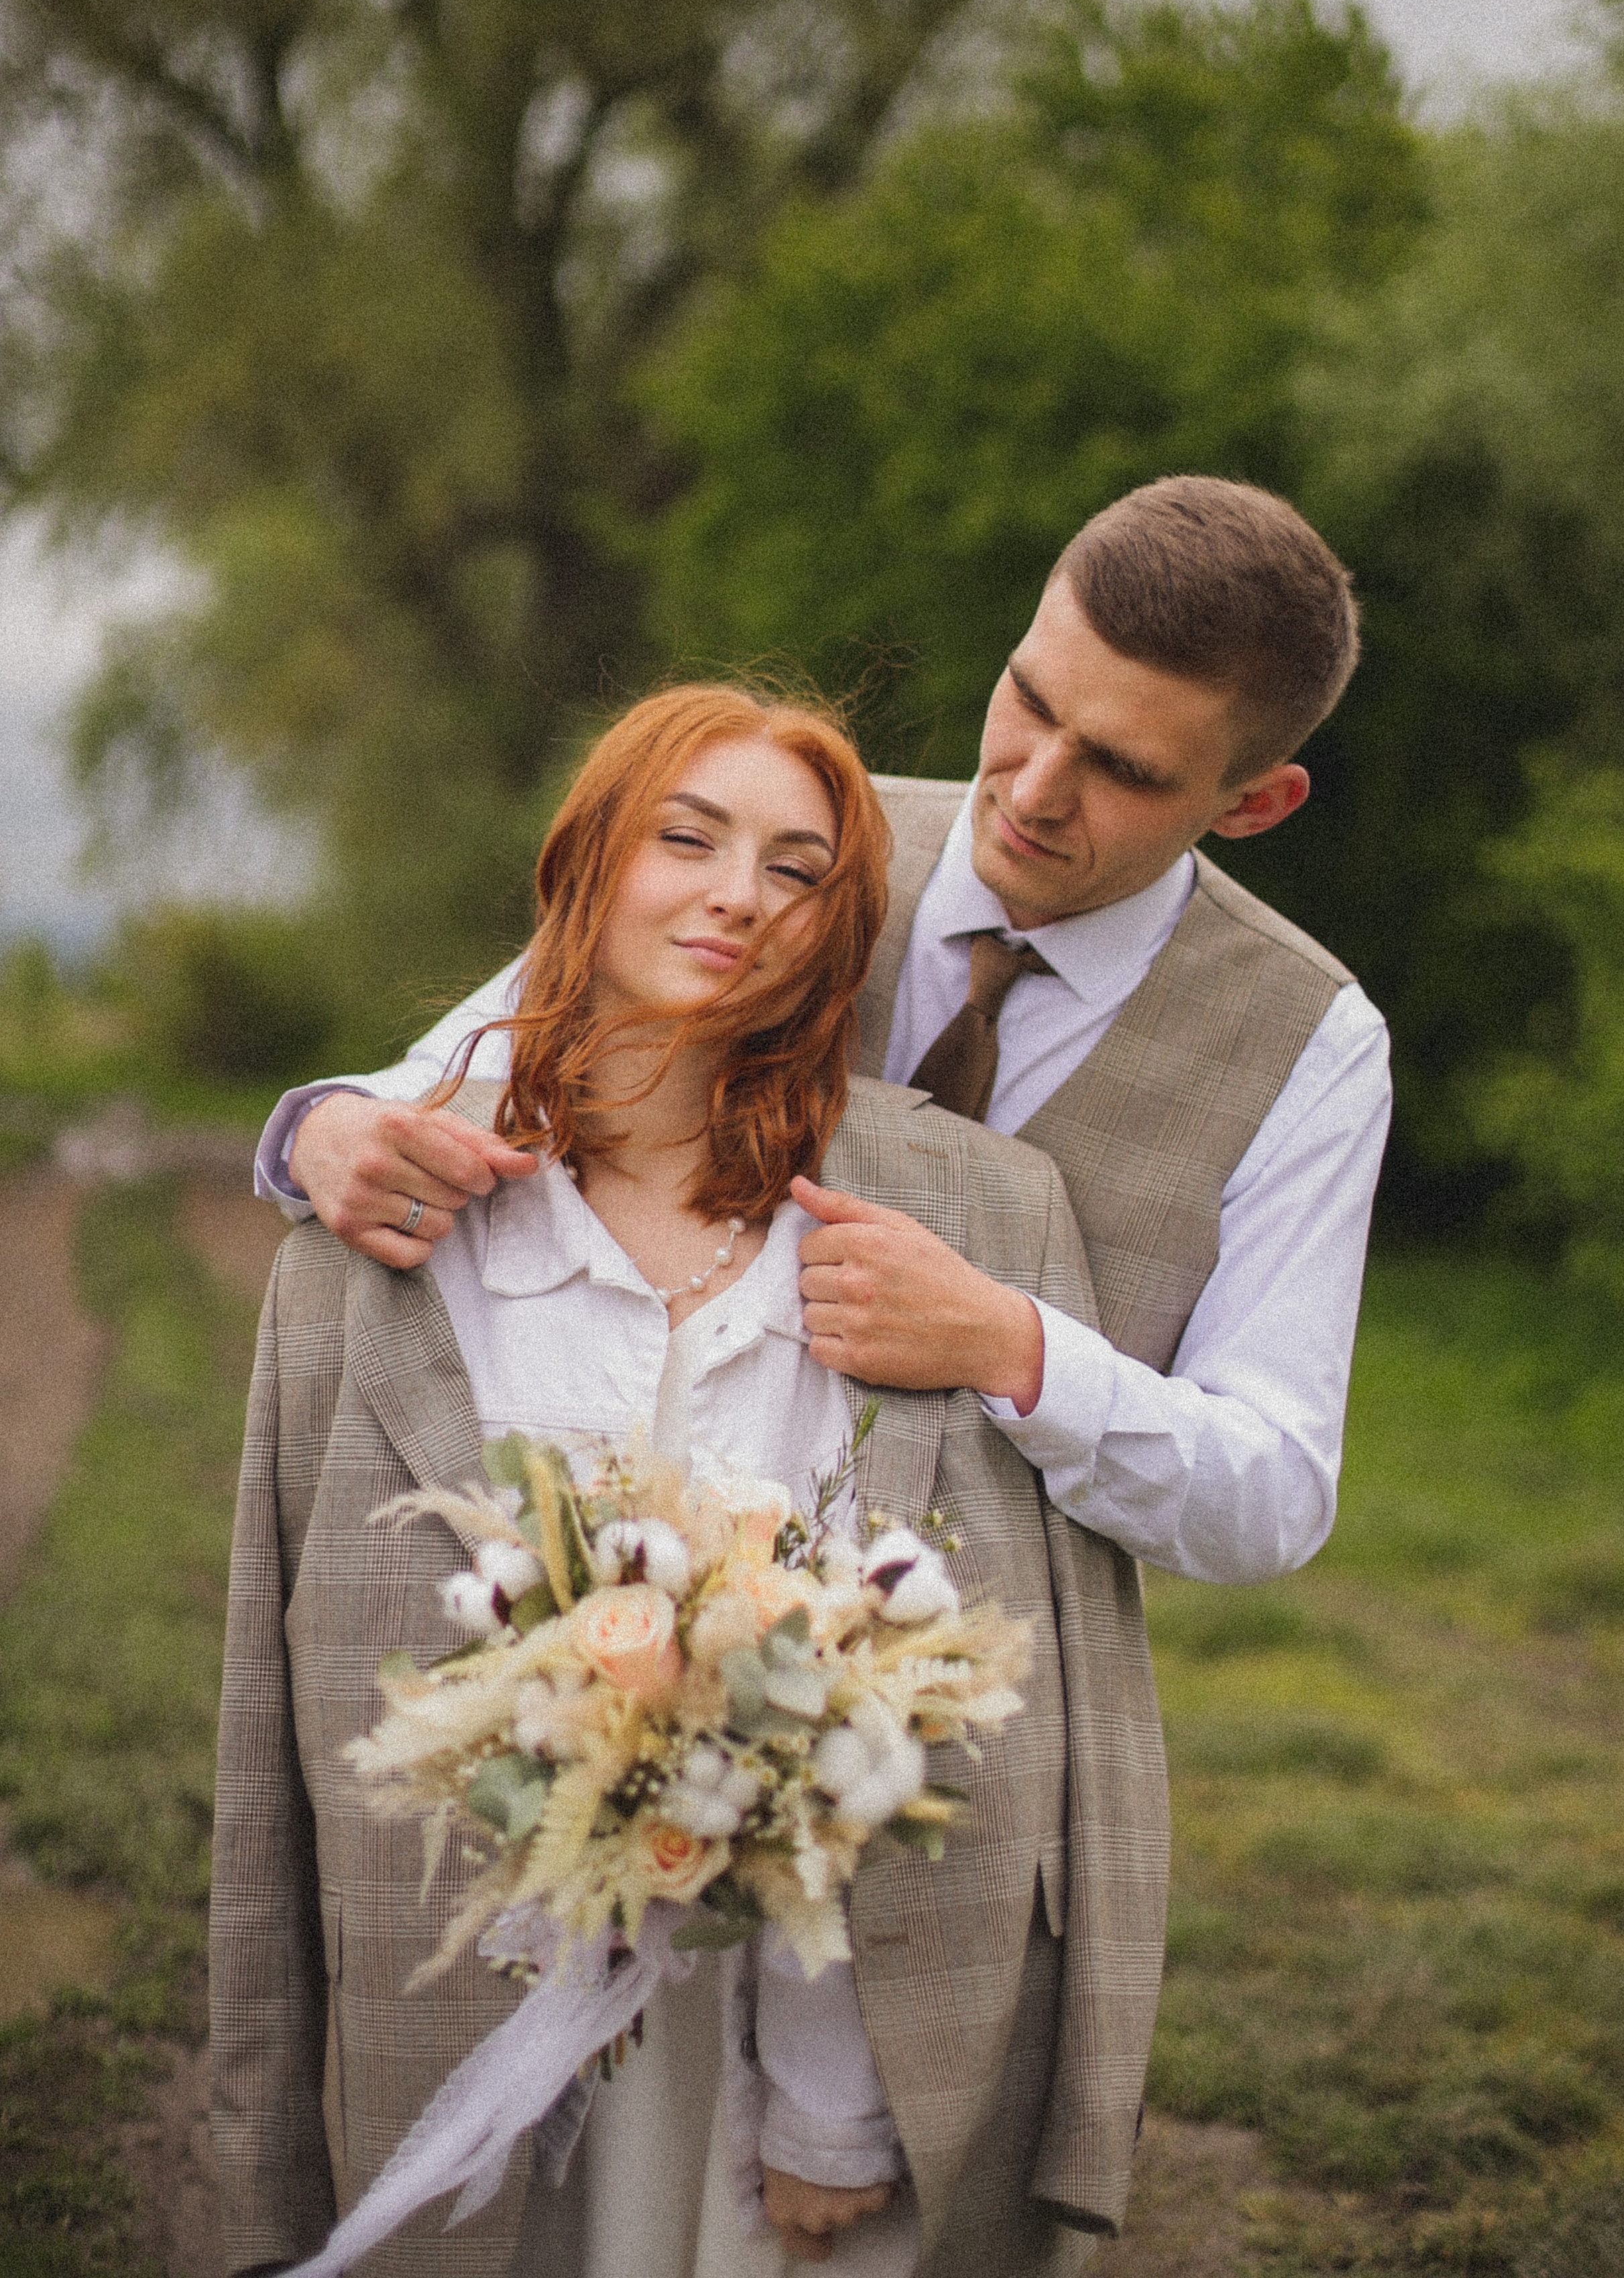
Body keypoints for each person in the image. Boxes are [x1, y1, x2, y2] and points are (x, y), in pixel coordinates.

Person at [212, 685, 1161, 2278]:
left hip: (796, 2045)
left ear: (836, 934)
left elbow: (1011, 1707)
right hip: (462, 2030)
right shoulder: (382, 1236)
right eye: (687, 838)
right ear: (586, 863)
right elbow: (271, 1719)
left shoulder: (978, 1220)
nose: (738, 895)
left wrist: (832, 2111)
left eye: (796, 872)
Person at [258, 478, 1391, 1593]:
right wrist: (322, 1128)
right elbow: (487, 1062)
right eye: (1033, 704)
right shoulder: (797, 842)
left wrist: (1014, 1348)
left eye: (1125, 770)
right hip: (621, 1596)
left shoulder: (1314, 1043)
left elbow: (1276, 1494)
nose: (1036, 791)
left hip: (990, 1680)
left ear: (1254, 805)